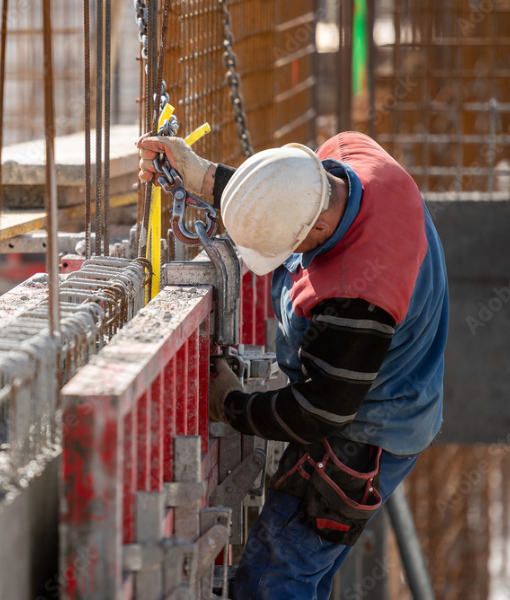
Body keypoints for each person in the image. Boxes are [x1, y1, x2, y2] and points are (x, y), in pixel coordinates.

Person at [138, 131, 449, 600]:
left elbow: (320, 413)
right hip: (373, 395)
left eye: (290, 248)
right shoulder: (345, 156)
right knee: (296, 575)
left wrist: (231, 404)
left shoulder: (358, 296)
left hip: (366, 435)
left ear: (319, 232)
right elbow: (284, 191)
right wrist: (203, 177)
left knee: (275, 579)